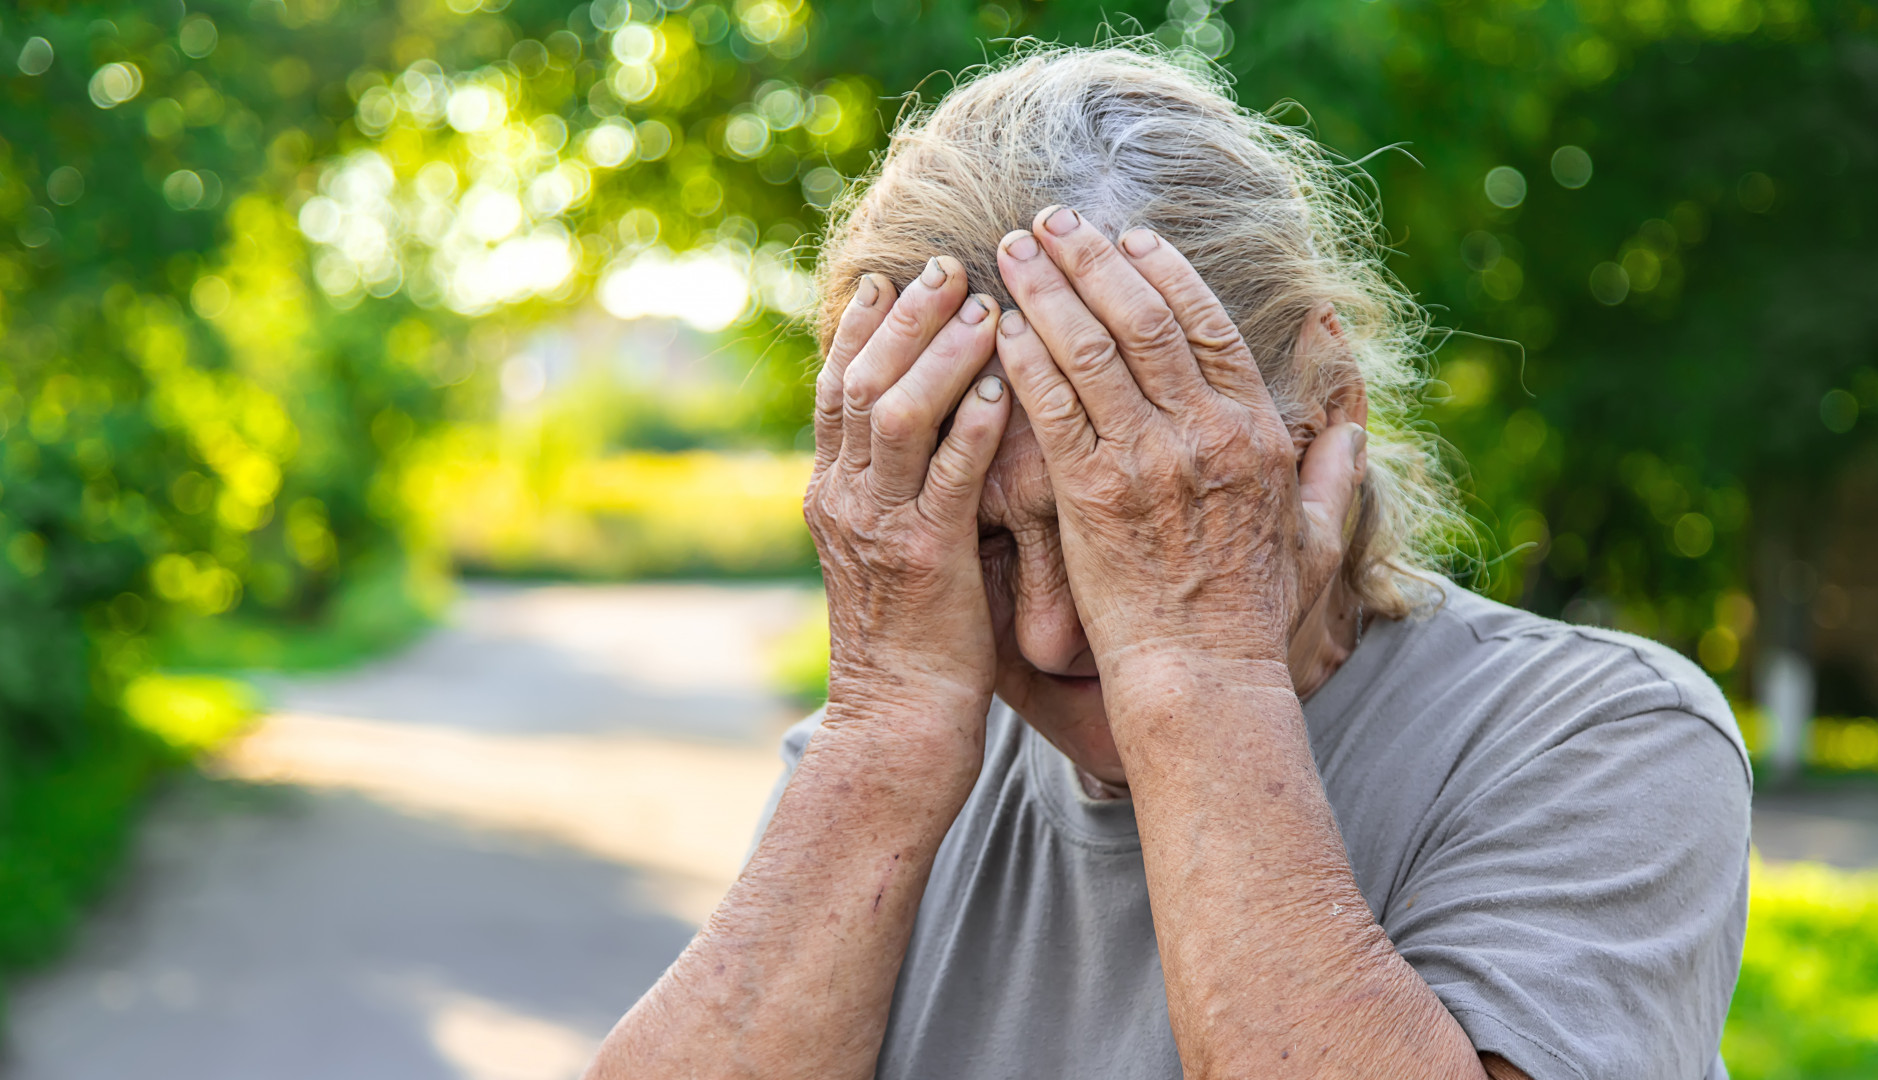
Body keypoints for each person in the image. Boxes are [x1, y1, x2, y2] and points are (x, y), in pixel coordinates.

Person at [586, 46, 1751, 1080]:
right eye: (986, 544)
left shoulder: (1602, 741)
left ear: (1323, 412)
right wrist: (879, 740)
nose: (1045, 632)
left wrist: (1200, 677)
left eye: (1124, 527)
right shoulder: (890, 768)